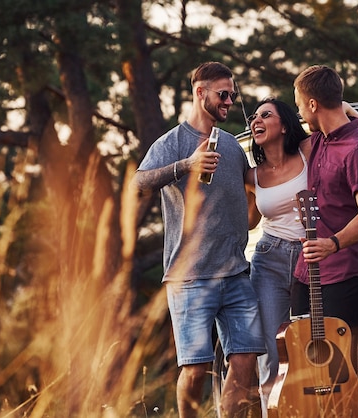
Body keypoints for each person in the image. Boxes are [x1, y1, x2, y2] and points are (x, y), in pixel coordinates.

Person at [133, 62, 265, 418]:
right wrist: (185, 166)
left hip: (237, 274)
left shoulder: (235, 148)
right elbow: (138, 184)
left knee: (246, 359)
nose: (229, 101)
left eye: (233, 96)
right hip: (190, 277)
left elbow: (251, 204)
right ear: (200, 92)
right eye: (223, 94)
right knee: (194, 369)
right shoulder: (171, 143)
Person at [245, 97, 358, 416]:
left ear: (286, 124)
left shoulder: (309, 149)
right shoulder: (252, 176)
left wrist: (334, 100)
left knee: (318, 346)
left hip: (316, 257)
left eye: (265, 115)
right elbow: (249, 221)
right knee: (273, 354)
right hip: (270, 259)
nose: (255, 121)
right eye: (253, 117)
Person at [292, 64, 358, 362]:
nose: (300, 116)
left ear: (313, 104)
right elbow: (343, 109)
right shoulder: (319, 141)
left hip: (344, 272)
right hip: (306, 273)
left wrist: (332, 244)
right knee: (302, 360)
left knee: (341, 364)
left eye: (300, 107)